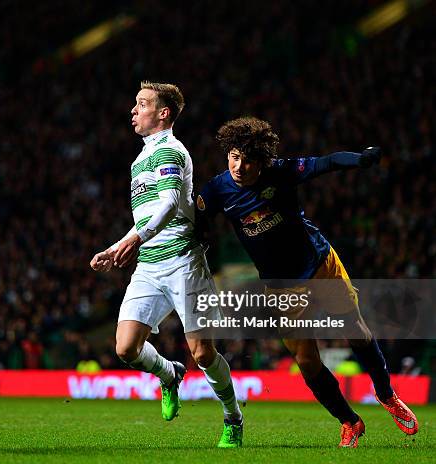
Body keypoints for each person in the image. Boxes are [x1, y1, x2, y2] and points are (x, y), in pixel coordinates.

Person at [196, 116, 419, 448]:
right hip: (281, 285)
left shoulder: (281, 172)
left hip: (319, 265)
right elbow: (194, 219)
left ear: (262, 160)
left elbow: (326, 163)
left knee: (355, 332)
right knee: (305, 358)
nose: (239, 166)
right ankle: (349, 421)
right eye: (233, 156)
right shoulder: (216, 189)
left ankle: (386, 395)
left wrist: (361, 159)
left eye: (248, 160)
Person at [90, 81, 243, 448]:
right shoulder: (140, 160)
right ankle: (169, 373)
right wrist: (117, 246)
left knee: (204, 353)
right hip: (148, 266)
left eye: (141, 104)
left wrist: (132, 240)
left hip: (184, 262)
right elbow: (145, 215)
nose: (133, 110)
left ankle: (233, 418)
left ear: (163, 113)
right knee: (126, 348)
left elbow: (171, 204)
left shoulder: (171, 151)